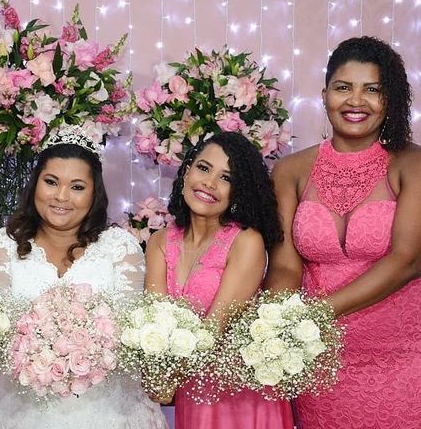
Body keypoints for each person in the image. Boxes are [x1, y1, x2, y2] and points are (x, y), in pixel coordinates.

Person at [266, 36, 421, 428]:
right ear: (324, 95)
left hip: (403, 360)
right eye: (343, 87)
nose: (356, 101)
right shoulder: (290, 171)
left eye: (372, 89)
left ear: (391, 99)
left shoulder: (412, 164)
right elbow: (285, 266)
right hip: (321, 364)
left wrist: (314, 314)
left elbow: (408, 260)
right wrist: (275, 327)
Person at [0, 125, 168, 429]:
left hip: (111, 415)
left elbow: (132, 335)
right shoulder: (1, 246)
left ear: (94, 194)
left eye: (77, 187)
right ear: (35, 185)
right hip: (23, 414)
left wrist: (85, 343)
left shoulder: (121, 248)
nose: (62, 197)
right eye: (51, 182)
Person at [145, 131, 294, 429]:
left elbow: (214, 327)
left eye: (226, 178)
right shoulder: (160, 241)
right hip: (193, 393)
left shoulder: (246, 241)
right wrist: (158, 377)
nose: (210, 183)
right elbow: (156, 323)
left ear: (239, 191)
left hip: (243, 397)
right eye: (203, 168)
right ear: (186, 172)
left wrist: (165, 383)